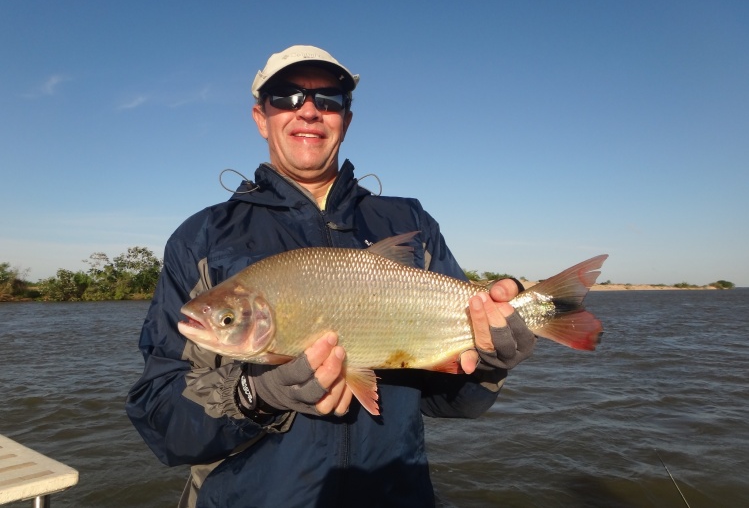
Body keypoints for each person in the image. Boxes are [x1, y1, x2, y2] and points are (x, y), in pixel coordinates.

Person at [126, 45, 536, 508]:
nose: (309, 111)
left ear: (346, 119)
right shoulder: (200, 238)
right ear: (261, 117)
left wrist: (489, 362)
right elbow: (161, 419)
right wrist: (253, 394)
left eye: (329, 100)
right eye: (286, 96)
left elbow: (452, 401)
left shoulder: (411, 222)